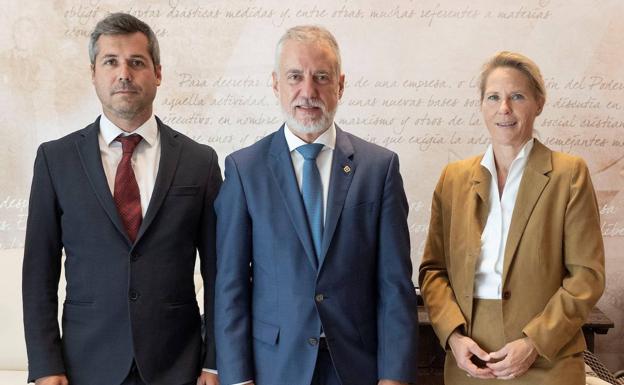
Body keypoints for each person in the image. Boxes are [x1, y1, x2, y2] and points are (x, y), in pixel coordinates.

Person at [22, 13, 221, 385]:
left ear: (158, 73)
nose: (123, 73)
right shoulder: (55, 160)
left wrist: (214, 362)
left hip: (178, 364)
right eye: (111, 61)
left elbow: (219, 273)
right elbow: (38, 273)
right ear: (93, 73)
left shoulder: (200, 162)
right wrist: (46, 366)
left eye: (137, 62)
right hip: (85, 364)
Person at [214, 25, 419, 385]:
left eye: (321, 77)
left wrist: (395, 377)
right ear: (276, 84)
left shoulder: (379, 168)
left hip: (357, 367)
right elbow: (230, 284)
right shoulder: (245, 170)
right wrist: (236, 378)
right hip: (274, 368)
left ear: (340, 85)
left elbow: (395, 284)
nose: (307, 92)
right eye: (295, 76)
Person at [419, 51, 605, 385]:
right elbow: (434, 270)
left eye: (516, 96)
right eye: (493, 97)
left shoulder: (569, 174)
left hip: (548, 363)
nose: (504, 108)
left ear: (539, 103)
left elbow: (587, 276)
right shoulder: (453, 179)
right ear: (482, 105)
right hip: (470, 363)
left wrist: (534, 342)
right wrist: (454, 338)